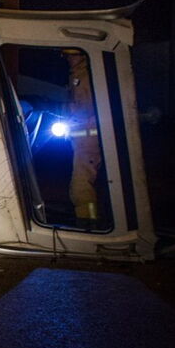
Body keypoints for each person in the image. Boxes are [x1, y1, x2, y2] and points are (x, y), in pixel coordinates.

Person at [64, 48, 102, 229]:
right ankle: (89, 221)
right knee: (82, 183)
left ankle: (89, 223)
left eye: (71, 54)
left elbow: (85, 109)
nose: (68, 59)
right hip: (83, 139)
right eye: (66, 55)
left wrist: (68, 114)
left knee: (82, 184)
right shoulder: (78, 75)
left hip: (89, 139)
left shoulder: (86, 76)